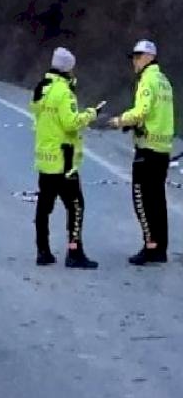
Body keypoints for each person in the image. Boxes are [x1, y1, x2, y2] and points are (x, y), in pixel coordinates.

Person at [31, 47, 103, 269]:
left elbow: (38, 115)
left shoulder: (41, 88)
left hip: (45, 158)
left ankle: (43, 251)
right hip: (64, 161)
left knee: (44, 206)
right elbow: (71, 123)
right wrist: (92, 113)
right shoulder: (64, 92)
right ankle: (74, 252)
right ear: (69, 69)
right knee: (76, 206)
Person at [108, 40, 175, 265]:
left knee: (142, 201)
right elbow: (157, 114)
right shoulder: (164, 81)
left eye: (138, 56)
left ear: (149, 57)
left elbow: (142, 111)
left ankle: (150, 247)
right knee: (157, 201)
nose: (134, 61)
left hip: (147, 149)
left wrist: (120, 121)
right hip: (163, 149)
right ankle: (160, 248)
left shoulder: (147, 80)